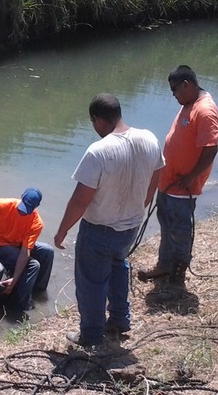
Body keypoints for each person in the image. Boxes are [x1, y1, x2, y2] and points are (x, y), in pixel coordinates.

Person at [54, 94, 164, 347]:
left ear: (98, 120)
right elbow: (158, 171)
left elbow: (80, 200)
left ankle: (91, 335)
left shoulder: (98, 152)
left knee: (91, 282)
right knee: (118, 266)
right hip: (131, 226)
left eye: (93, 123)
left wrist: (62, 231)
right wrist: (143, 202)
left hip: (99, 228)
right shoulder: (149, 138)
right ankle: (120, 320)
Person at [138, 65, 218, 287]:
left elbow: (211, 149)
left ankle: (177, 273)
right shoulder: (190, 103)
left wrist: (190, 177)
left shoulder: (205, 110)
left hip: (183, 188)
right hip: (169, 182)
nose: (173, 95)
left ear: (186, 85)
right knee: (166, 225)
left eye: (175, 90)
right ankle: (164, 265)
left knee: (180, 230)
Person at [0, 187, 55, 312]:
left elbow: (24, 251)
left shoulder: (36, 223)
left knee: (48, 251)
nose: (23, 212)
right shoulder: (2, 205)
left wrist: (14, 279)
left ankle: (38, 290)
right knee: (33, 265)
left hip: (16, 243)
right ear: (21, 197)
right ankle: (22, 305)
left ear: (37, 206)